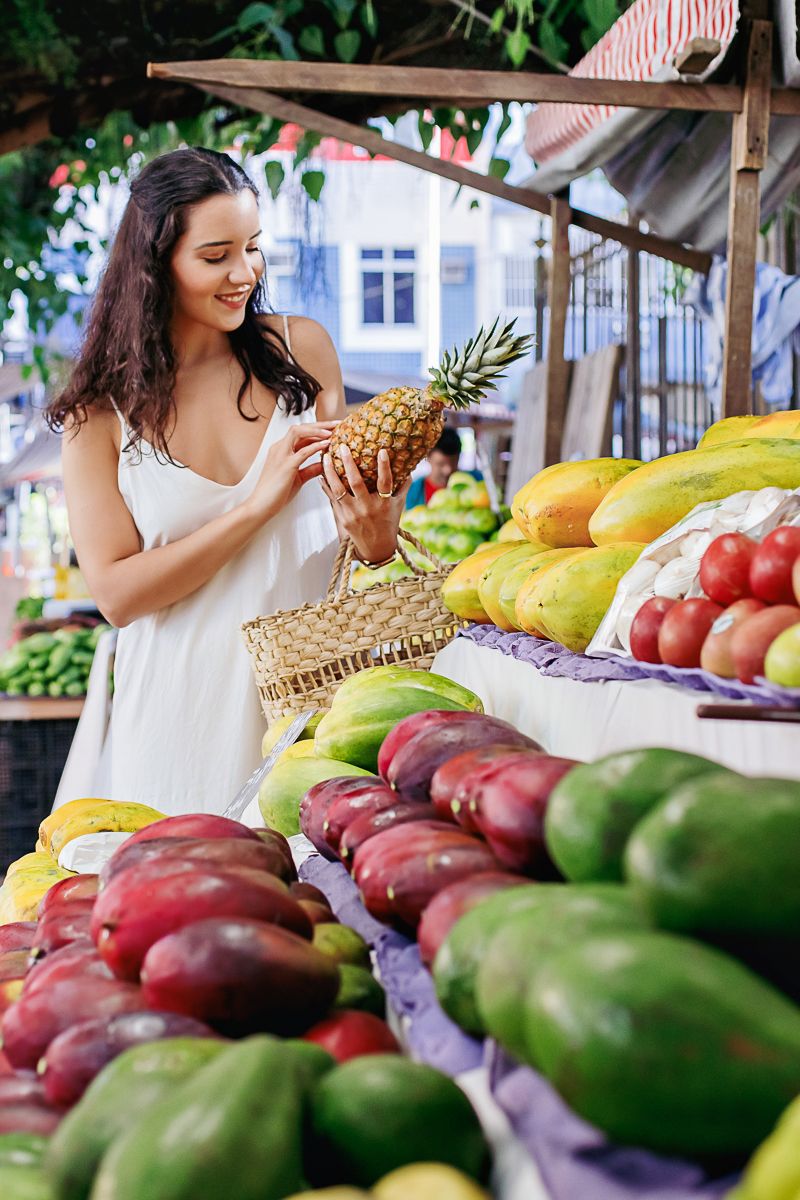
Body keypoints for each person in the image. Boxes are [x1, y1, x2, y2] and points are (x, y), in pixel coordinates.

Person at [48, 146, 406, 815]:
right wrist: (255, 507)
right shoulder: (98, 415)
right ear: (157, 266)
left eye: (253, 247)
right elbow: (118, 595)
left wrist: (379, 533)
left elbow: (357, 544)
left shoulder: (302, 351)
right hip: (179, 718)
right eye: (216, 256)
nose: (244, 273)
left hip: (312, 708)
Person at [404, 427, 481, 508]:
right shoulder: (413, 492)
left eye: (454, 462)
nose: (448, 470)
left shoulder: (477, 481)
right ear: (427, 457)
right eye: (441, 464)